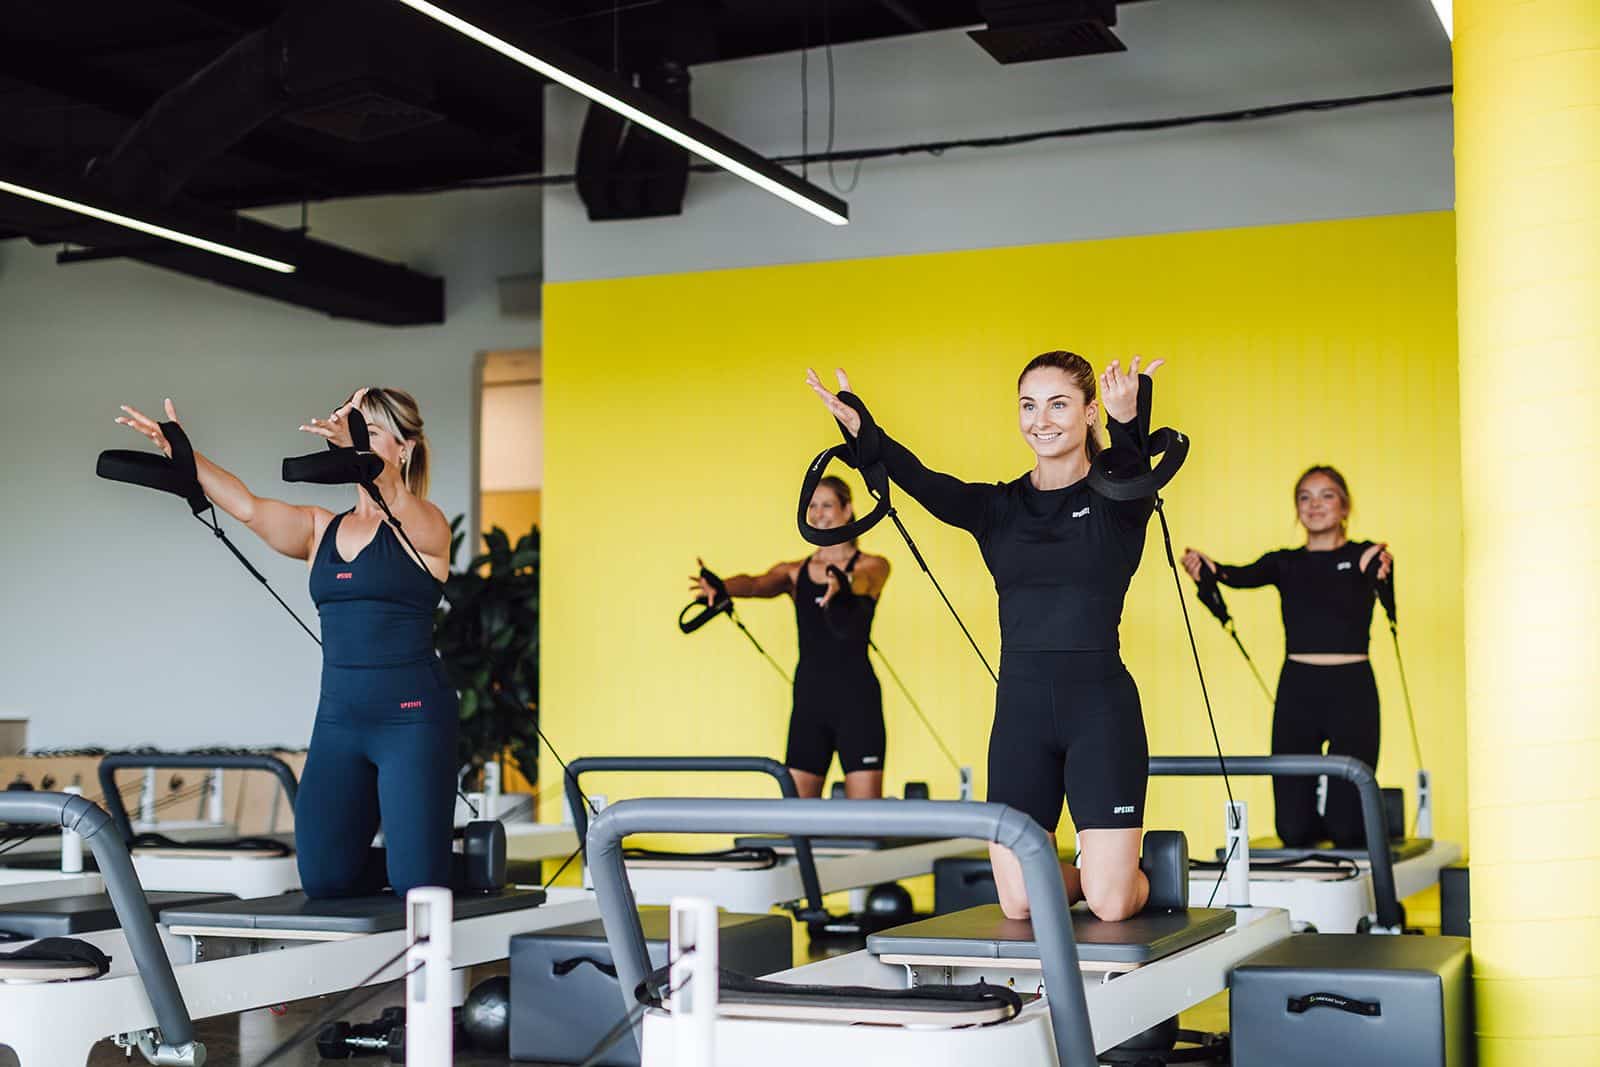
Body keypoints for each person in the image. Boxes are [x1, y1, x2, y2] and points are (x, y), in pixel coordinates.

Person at [806, 352, 1166, 922]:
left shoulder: (1115, 503)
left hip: (1100, 707)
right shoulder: (998, 508)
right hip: (1021, 708)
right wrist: (861, 431)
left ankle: (1137, 877)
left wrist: (1126, 422)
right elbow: (924, 482)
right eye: (1028, 405)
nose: (1040, 420)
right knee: (1020, 901)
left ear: (1088, 412)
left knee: (1113, 904)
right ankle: (1096, 872)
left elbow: (1130, 475)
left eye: (1058, 404)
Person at [115, 387, 456, 897]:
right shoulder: (321, 529)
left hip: (412, 720)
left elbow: (391, 495)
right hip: (340, 722)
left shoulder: (424, 525)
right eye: (349, 430)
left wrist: (356, 448)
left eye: (369, 433)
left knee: (417, 888)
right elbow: (248, 508)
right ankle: (420, 867)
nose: (352, 443)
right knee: (324, 877)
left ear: (404, 448)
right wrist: (182, 452)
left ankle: (431, 869)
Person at [1182, 466, 1393, 848]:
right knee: (1293, 830)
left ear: (1344, 506)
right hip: (1299, 689)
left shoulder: (1365, 557)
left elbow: (1382, 580)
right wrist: (1205, 569)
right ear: (1297, 509)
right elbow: (1233, 575)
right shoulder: (1285, 563)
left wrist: (1380, 571)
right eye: (1305, 497)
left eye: (1326, 495)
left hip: (1352, 690)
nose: (1315, 505)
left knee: (1347, 829)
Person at [689, 476, 891, 799]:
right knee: (797, 816)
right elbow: (756, 584)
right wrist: (724, 587)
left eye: (826, 505)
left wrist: (842, 581)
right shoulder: (795, 572)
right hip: (810, 700)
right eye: (812, 506)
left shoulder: (873, 565)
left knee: (865, 821)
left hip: (857, 701)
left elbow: (865, 581)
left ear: (847, 509)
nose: (818, 513)